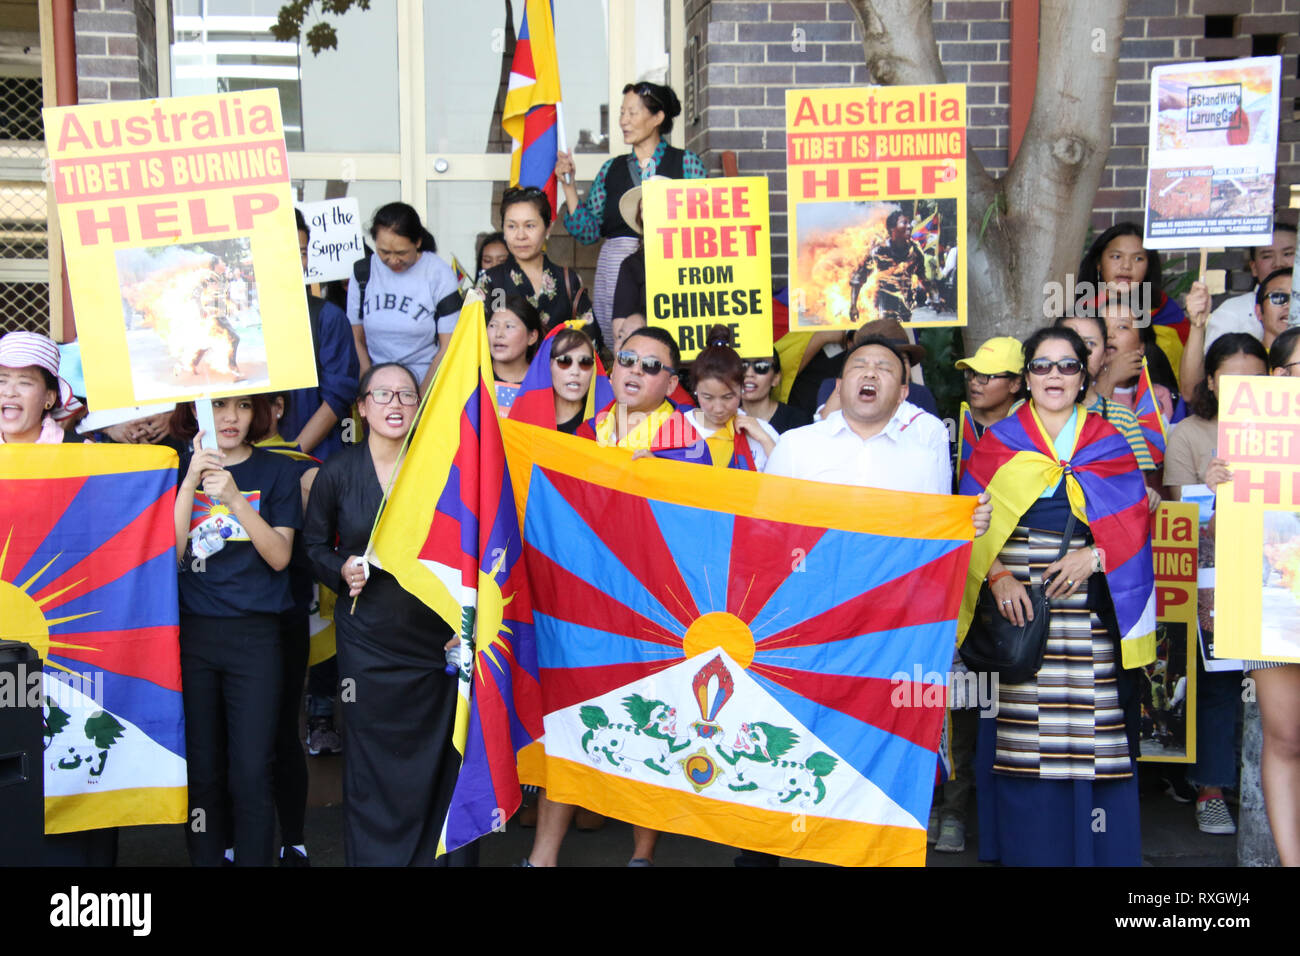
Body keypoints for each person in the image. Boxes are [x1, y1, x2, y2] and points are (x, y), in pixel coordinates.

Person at [958, 325, 1156, 866]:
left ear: (1083, 375)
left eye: (1067, 366)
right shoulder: (999, 440)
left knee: (1095, 739)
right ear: (1026, 378)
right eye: (1042, 366)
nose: (1054, 376)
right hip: (1013, 611)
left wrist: (1094, 556)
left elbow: (1135, 522)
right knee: (1020, 742)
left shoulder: (1108, 441)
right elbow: (966, 520)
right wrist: (997, 576)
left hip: (1087, 608)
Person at [302, 363, 469, 866]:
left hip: (434, 639)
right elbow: (312, 546)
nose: (395, 405)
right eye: (383, 395)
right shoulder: (337, 472)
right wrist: (341, 567)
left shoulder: (442, 467)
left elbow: (469, 550)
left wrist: (462, 624)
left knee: (440, 754)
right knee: (372, 760)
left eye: (407, 396)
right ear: (362, 407)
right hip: (367, 639)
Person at [171, 395, 303, 867]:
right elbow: (171, 556)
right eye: (219, 406)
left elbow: (280, 556)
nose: (229, 417)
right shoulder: (174, 465)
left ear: (259, 413)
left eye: (243, 406)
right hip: (192, 637)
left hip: (256, 638)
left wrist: (231, 499)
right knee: (204, 771)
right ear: (196, 412)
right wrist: (190, 482)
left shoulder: (278, 472)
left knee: (251, 770)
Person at [1164, 333, 1270, 836]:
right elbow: (1174, 517)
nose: (1245, 389)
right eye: (1232, 380)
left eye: (1255, 378)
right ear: (1210, 381)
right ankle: (1210, 790)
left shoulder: (1287, 430)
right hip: (1214, 581)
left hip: (1276, 580)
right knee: (1219, 687)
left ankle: (1268, 787)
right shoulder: (1187, 433)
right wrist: (1202, 486)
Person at [556, 81, 706, 343]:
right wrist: (568, 187)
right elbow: (589, 232)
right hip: (615, 275)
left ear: (658, 117)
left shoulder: (686, 163)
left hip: (672, 270)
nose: (624, 120)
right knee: (621, 344)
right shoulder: (610, 170)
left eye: (632, 113)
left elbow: (705, 221)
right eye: (621, 113)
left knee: (666, 343)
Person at [767, 337, 957, 498]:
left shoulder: (923, 461)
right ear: (839, 386)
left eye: (884, 369)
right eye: (859, 366)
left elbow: (935, 530)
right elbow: (766, 523)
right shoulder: (794, 445)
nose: (870, 373)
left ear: (902, 393)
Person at [1247, 326, 1300, 865]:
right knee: (1284, 738)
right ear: (1280, 376)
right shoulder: (1251, 433)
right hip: (1277, 605)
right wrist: (1220, 482)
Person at [347, 202, 462, 393]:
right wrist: (368, 388)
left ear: (417, 242)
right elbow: (356, 337)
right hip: (377, 388)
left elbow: (448, 346)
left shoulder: (438, 274)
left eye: (401, 253)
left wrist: (421, 399)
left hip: (426, 383)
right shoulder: (362, 273)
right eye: (384, 252)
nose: (393, 260)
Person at [477, 187, 604, 350]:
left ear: (548, 228)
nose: (520, 235)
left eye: (530, 226)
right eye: (511, 226)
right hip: (508, 375)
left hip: (559, 372)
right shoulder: (494, 281)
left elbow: (589, 341)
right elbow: (485, 340)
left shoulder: (567, 279)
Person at [290, 208, 361, 459]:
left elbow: (337, 397)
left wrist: (291, 456)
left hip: (313, 459)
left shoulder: (328, 317)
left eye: (301, 253)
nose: (297, 261)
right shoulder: (243, 318)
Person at [1078, 221, 1188, 380]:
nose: (1126, 266)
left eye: (1138, 259)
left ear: (1149, 265)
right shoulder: (1082, 313)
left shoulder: (1165, 311)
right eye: (1116, 257)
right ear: (1099, 264)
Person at [1056, 314, 1159, 481]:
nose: (1080, 351)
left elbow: (1136, 490)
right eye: (1070, 341)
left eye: (1090, 343)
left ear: (1104, 356)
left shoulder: (1122, 418)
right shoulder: (1024, 411)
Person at [1193, 223, 1296, 361]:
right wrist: (1196, 326)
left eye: (1288, 254)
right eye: (1267, 256)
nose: (1279, 263)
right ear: (1253, 267)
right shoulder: (1231, 312)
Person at [683, 327, 779, 471]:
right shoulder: (677, 427)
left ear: (741, 389)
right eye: (708, 397)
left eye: (728, 397)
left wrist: (765, 439)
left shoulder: (760, 430)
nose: (718, 408)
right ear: (695, 390)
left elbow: (789, 479)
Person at [0, 331, 80, 445]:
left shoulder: (81, 453)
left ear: (50, 398)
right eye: (1, 381)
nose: (9, 392)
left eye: (24, 382)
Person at [848, 210, 927, 324]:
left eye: (909, 223)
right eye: (904, 223)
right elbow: (858, 279)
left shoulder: (915, 251)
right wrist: (853, 306)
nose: (909, 226)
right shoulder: (878, 251)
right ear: (892, 228)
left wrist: (935, 298)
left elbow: (923, 277)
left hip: (905, 307)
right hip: (882, 308)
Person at [955, 335, 1024, 436]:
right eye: (971, 372)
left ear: (1015, 384)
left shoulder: (1029, 434)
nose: (973, 381)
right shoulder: (951, 428)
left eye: (985, 375)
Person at [488, 294, 543, 416]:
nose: (499, 334)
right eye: (493, 325)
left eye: (509, 326)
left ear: (532, 337)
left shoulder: (545, 384)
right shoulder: (473, 379)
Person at [739, 348, 811, 435]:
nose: (749, 373)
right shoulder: (724, 418)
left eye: (761, 366)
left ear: (776, 378)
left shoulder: (798, 421)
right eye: (742, 366)